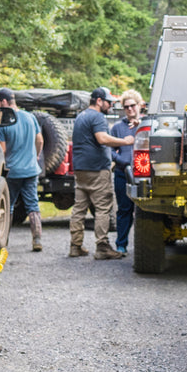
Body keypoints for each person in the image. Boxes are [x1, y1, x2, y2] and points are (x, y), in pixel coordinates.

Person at [68, 87, 133, 260]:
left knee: (79, 208)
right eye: (108, 101)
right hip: (96, 169)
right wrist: (125, 141)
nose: (110, 104)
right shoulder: (97, 117)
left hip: (80, 169)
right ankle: (102, 247)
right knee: (103, 207)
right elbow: (102, 138)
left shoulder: (81, 116)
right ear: (98, 101)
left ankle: (75, 246)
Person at [0, 88, 44, 251]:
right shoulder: (30, 117)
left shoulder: (3, 120)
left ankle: (4, 239)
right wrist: (35, 156)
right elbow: (40, 140)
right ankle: (37, 240)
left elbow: (2, 150)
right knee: (33, 204)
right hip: (31, 169)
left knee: (9, 204)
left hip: (13, 171)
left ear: (4, 102)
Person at [109, 89, 143, 255]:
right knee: (124, 210)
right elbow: (110, 150)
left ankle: (144, 248)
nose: (130, 109)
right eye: (126, 106)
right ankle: (121, 245)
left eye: (132, 106)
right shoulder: (117, 128)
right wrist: (120, 160)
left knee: (145, 212)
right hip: (123, 173)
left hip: (144, 175)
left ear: (139, 106)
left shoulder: (146, 125)